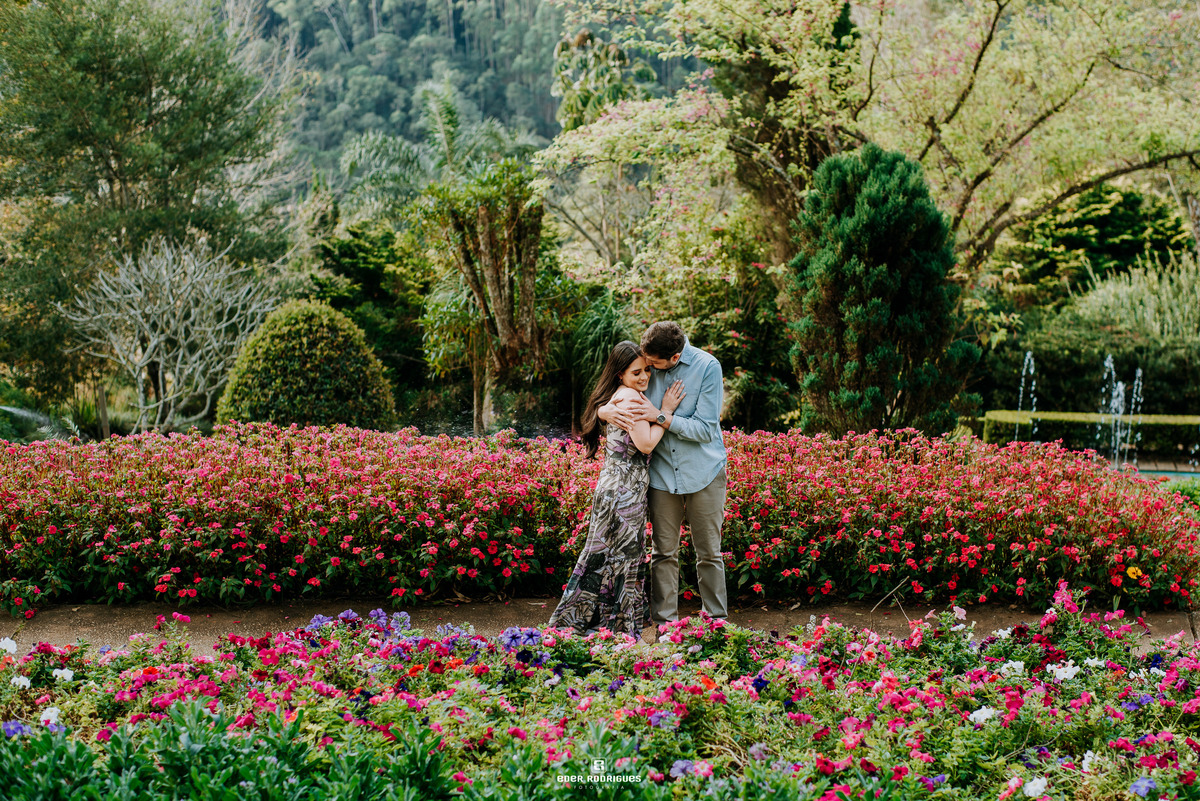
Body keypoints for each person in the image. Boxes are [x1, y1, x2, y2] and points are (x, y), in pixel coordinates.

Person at [547, 341, 684, 635]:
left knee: (609, 555)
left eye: (647, 370)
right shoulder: (632, 399)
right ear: (620, 373)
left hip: (618, 486)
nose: (645, 377)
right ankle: (612, 626)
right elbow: (646, 443)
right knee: (621, 555)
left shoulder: (619, 395)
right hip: (623, 490)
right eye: (637, 372)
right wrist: (666, 411)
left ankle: (596, 622)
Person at [599, 321, 728, 625]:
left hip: (704, 471)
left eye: (652, 366)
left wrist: (662, 415)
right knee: (663, 552)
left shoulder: (708, 367)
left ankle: (717, 622)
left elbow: (705, 430)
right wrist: (603, 411)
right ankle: (665, 626)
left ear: (674, 357)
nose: (647, 371)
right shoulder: (648, 362)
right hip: (660, 474)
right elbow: (616, 387)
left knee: (709, 552)